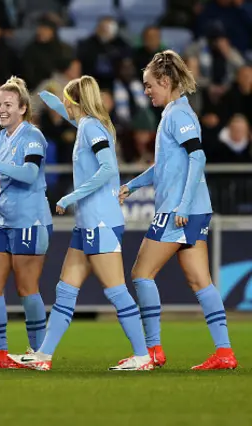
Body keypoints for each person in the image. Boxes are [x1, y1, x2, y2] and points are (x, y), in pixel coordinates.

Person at [11, 79, 152, 371]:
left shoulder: (90, 127)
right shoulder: (91, 123)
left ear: (72, 102)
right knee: (65, 290)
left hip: (100, 221)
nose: (63, 106)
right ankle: (43, 356)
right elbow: (72, 117)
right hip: (88, 223)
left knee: (116, 291)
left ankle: (142, 356)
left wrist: (73, 195)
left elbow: (109, 168)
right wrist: (44, 96)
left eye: (65, 101)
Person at [119, 50, 237, 370]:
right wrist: (132, 185)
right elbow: (164, 168)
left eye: (149, 85)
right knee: (201, 282)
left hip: (178, 210)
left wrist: (181, 206)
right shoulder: (174, 113)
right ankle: (224, 353)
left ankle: (153, 350)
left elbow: (197, 157)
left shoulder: (178, 115)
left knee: (141, 274)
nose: (146, 91)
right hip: (194, 209)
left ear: (165, 81)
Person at [0, 76, 52, 369]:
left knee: (26, 288)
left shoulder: (33, 137)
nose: (1, 109)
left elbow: (29, 174)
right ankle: (0, 354)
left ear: (22, 108)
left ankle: (38, 353)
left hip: (31, 220)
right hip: (3, 221)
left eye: (7, 104)